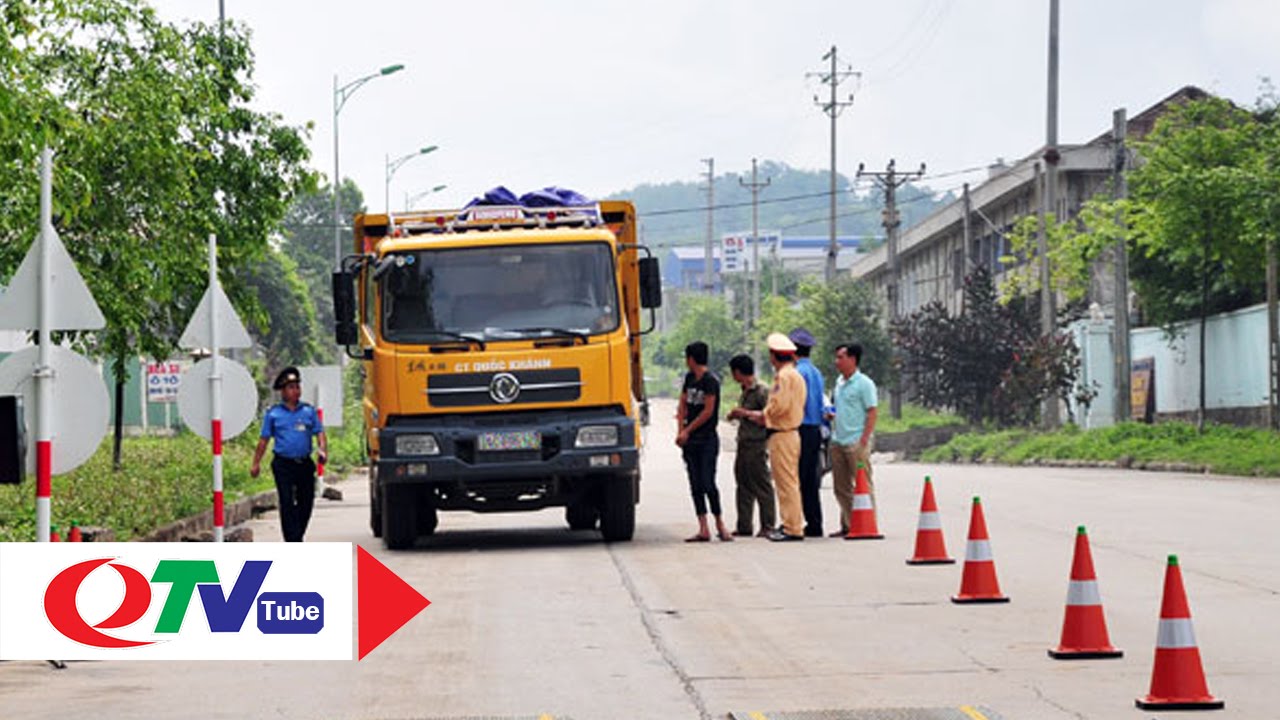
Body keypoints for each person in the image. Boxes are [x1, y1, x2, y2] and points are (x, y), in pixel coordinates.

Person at [250, 367, 328, 542]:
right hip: (283, 465)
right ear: (283, 391)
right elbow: (264, 440)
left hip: (304, 464)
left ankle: (297, 535)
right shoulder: (273, 414)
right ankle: (292, 540)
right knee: (286, 502)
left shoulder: (308, 411)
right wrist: (256, 463)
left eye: (297, 387)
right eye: (291, 387)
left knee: (306, 501)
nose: (296, 391)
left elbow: (320, 434)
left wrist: (322, 450)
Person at [742, 333, 806, 542]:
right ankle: (791, 522)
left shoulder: (783, 377)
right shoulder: (795, 375)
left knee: (785, 483)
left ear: (774, 356)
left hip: (782, 433)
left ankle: (792, 527)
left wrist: (764, 414)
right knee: (790, 482)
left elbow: (779, 406)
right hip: (792, 432)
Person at [677, 342, 732, 542]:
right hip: (690, 441)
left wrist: (688, 430)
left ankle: (720, 524)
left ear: (691, 359)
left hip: (706, 439)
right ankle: (703, 527)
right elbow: (682, 403)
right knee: (695, 484)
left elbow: (708, 411)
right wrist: (680, 431)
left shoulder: (711, 381)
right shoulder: (690, 379)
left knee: (708, 483)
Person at [827, 343, 879, 537]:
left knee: (863, 485)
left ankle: (868, 525)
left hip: (856, 440)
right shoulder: (839, 382)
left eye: (841, 357)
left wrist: (864, 438)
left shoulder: (864, 383)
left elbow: (872, 411)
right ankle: (849, 524)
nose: (837, 361)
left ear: (853, 359)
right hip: (838, 440)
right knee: (841, 487)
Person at [725, 354, 775, 537]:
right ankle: (744, 525)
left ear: (738, 372)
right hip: (744, 442)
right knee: (743, 484)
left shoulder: (761, 391)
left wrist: (744, 413)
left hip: (757, 443)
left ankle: (768, 524)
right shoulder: (744, 391)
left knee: (761, 484)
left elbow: (767, 416)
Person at [789, 327, 826, 537]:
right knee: (810, 478)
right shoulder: (816, 372)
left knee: (795, 478)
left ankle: (797, 521)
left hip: (800, 428)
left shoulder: (796, 374)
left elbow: (794, 403)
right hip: (815, 429)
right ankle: (814, 522)